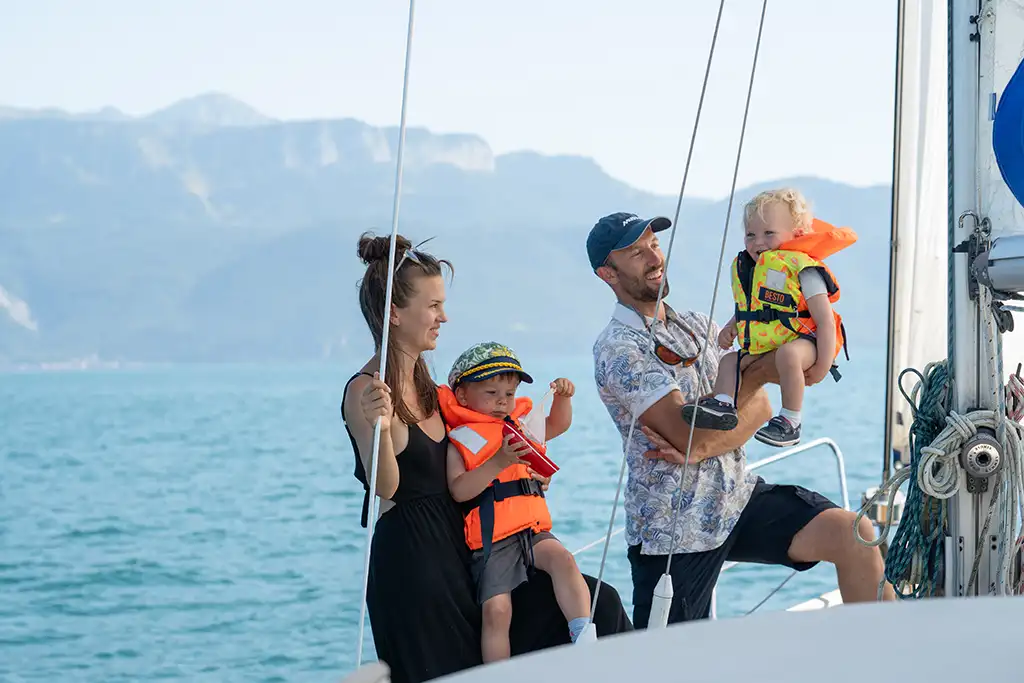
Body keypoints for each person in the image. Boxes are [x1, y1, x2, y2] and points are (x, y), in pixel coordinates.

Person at [341, 232, 632, 683]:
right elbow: (386, 485)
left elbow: (477, 447)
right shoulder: (366, 389)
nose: (444, 317)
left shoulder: (429, 384)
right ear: (395, 314)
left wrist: (522, 472)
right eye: (433, 305)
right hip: (417, 565)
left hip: (472, 542)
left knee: (600, 604)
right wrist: (378, 427)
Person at [586, 211, 895, 628]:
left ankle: (889, 655)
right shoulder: (618, 348)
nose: (654, 257)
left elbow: (761, 409)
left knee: (853, 536)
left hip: (737, 498)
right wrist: (719, 423)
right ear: (608, 273)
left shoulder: (697, 326)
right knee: (665, 662)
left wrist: (708, 439)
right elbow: (687, 433)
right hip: (674, 527)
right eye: (636, 252)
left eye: (654, 245)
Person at [438, 342, 594, 662]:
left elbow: (557, 425)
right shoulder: (461, 441)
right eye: (491, 393)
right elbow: (459, 490)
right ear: (463, 396)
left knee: (564, 560)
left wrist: (564, 398)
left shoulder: (520, 426)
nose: (502, 402)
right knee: (497, 611)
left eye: (508, 394)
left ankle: (583, 635)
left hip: (532, 530)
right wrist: (498, 462)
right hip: (493, 539)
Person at [680, 188, 854, 448]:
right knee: (729, 361)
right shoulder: (753, 269)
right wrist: (731, 328)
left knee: (788, 355)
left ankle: (790, 421)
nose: (757, 242)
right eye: (750, 235)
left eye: (768, 233)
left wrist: (822, 366)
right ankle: (723, 406)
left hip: (808, 343)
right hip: (770, 342)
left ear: (797, 234)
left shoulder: (804, 270)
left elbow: (826, 321)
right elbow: (753, 307)